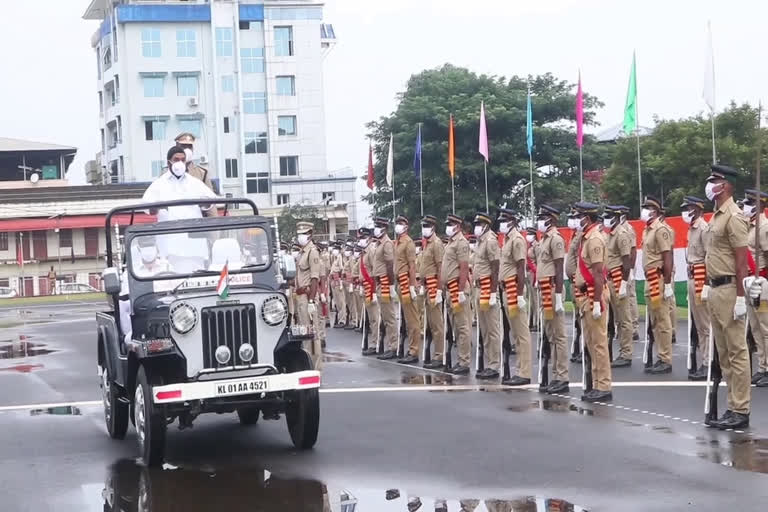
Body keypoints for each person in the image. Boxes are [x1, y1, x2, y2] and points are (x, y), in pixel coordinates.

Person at [704, 164, 750, 429]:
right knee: (723, 353)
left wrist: (741, 297)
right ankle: (732, 406)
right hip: (715, 289)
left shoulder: (733, 216)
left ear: (727, 185)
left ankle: (740, 409)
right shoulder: (717, 215)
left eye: (715, 180)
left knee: (736, 351)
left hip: (731, 289)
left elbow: (741, 262)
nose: (710, 184)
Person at [573, 202, 613, 402]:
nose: (575, 219)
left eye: (578, 215)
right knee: (590, 341)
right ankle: (596, 384)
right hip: (586, 295)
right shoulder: (585, 237)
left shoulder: (595, 239)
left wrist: (597, 302)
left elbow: (598, 273)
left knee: (598, 342)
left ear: (586, 218)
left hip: (593, 294)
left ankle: (603, 385)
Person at [535, 205, 568, 393]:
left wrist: (557, 296)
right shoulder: (544, 239)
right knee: (550, 334)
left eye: (543, 217)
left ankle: (561, 376)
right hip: (544, 290)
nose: (540, 220)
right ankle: (555, 374)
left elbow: (558, 267)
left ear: (552, 219)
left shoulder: (555, 239)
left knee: (558, 335)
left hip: (552, 290)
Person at [640, 195, 675, 374]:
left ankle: (665, 359)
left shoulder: (661, 230)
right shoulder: (648, 230)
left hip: (658, 279)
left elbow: (667, 257)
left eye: (646, 208)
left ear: (654, 211)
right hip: (650, 279)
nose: (644, 211)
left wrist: (668, 284)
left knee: (662, 321)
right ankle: (661, 356)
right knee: (655, 321)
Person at [498, 208, 532, 385]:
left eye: (504, 220)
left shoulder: (517, 240)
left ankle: (524, 372)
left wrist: (519, 294)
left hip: (513, 289)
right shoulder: (507, 239)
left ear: (511, 221)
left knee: (521, 333)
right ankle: (519, 370)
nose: (501, 223)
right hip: (506, 288)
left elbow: (520, 267)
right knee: (515, 334)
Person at [142, 145, 218, 220]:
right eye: (176, 159)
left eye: (183, 160)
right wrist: (155, 208)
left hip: (193, 229)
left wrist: (205, 204)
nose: (180, 163)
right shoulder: (159, 184)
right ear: (169, 163)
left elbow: (210, 202)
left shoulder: (195, 182)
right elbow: (147, 207)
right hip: (169, 230)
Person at [681, 195, 711, 381]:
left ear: (697, 209)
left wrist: (707, 283)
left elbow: (709, 257)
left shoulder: (703, 228)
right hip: (693, 277)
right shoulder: (691, 229)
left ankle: (708, 362)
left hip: (701, 278)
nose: (685, 211)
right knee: (699, 325)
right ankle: (704, 359)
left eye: (688, 207)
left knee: (705, 325)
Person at [602, 205, 635, 368]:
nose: (605, 219)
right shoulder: (610, 235)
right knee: (614, 319)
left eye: (608, 216)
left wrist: (623, 283)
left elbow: (627, 262)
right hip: (609, 279)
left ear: (615, 217)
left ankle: (626, 353)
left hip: (618, 279)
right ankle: (620, 352)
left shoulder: (621, 234)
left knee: (624, 319)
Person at [741, 189, 768, 387]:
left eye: (750, 202)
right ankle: (763, 366)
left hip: (762, 283)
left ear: (759, 205)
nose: (746, 206)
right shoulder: (749, 226)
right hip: (750, 282)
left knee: (766, 328)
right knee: (755, 328)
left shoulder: (764, 226)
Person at [470, 212, 501, 379]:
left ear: (486, 225)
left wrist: (493, 293)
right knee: (484, 329)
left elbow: (496, 268)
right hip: (479, 288)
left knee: (492, 329)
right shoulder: (480, 241)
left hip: (488, 288)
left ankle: (494, 365)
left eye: (479, 225)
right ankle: (489, 363)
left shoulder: (490, 241)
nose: (476, 228)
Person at [441, 214, 472, 375]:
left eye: (451, 224)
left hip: (457, 289)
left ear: (458, 226)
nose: (448, 226)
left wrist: (460, 291)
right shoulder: (450, 243)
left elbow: (464, 268)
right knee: (454, 327)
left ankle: (464, 361)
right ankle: (459, 359)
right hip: (448, 289)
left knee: (462, 327)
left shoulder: (462, 243)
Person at [294, 221, 323, 371]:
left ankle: (315, 368)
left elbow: (314, 278)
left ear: (310, 235)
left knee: (312, 334)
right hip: (300, 297)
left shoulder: (312, 252)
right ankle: (307, 365)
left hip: (307, 297)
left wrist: (312, 299)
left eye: (303, 234)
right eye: (299, 234)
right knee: (305, 332)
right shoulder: (301, 252)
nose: (300, 237)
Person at [393, 216, 421, 364]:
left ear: (406, 226)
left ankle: (414, 350)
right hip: (399, 282)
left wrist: (411, 285)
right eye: (397, 223)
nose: (398, 226)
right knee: (404, 319)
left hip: (406, 282)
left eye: (401, 223)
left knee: (412, 320)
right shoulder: (397, 242)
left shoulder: (408, 243)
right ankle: (408, 348)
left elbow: (412, 266)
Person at [420, 215, 446, 369]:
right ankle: (435, 353)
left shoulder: (436, 244)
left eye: (427, 226)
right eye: (423, 226)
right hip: (427, 286)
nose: (424, 229)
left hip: (434, 285)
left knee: (437, 325)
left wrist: (438, 290)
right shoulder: (427, 244)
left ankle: (439, 355)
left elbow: (440, 268)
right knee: (430, 323)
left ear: (433, 228)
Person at [373, 217, 398, 360]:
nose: (376, 228)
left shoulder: (387, 244)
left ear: (384, 228)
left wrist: (390, 285)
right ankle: (389, 344)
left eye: (379, 226)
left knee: (389, 317)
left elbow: (390, 265)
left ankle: (393, 346)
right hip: (379, 283)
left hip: (385, 282)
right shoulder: (379, 244)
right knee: (385, 316)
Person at [566, 208, 584, 363]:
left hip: (581, 282)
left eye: (576, 217)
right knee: (578, 316)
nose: (573, 220)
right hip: (573, 281)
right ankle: (579, 348)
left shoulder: (582, 236)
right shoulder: (573, 235)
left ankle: (584, 349)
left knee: (583, 317)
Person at [359, 228, 381, 355]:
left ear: (368, 238)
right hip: (366, 287)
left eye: (363, 238)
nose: (361, 240)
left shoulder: (371, 252)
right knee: (370, 318)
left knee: (374, 318)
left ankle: (376, 343)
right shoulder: (364, 252)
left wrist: (373, 291)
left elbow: (374, 271)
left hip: (371, 287)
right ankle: (373, 341)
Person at [525, 227, 540, 332]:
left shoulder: (536, 246)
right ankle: (530, 321)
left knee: (536, 300)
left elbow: (539, 262)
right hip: (529, 274)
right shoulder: (529, 246)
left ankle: (537, 322)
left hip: (534, 274)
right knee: (530, 299)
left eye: (530, 233)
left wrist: (537, 278)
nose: (528, 235)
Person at [330, 241, 346, 328]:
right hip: (333, 281)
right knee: (337, 302)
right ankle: (339, 319)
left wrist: (340, 282)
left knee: (341, 302)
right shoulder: (335, 258)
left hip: (338, 280)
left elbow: (341, 270)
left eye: (336, 249)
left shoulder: (340, 258)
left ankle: (342, 320)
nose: (334, 250)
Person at [343, 241, 358, 330]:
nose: (346, 251)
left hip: (350, 283)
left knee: (353, 304)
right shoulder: (348, 259)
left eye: (348, 249)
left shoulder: (352, 260)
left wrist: (352, 284)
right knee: (349, 303)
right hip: (346, 283)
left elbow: (352, 272)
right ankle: (353, 319)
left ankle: (354, 321)